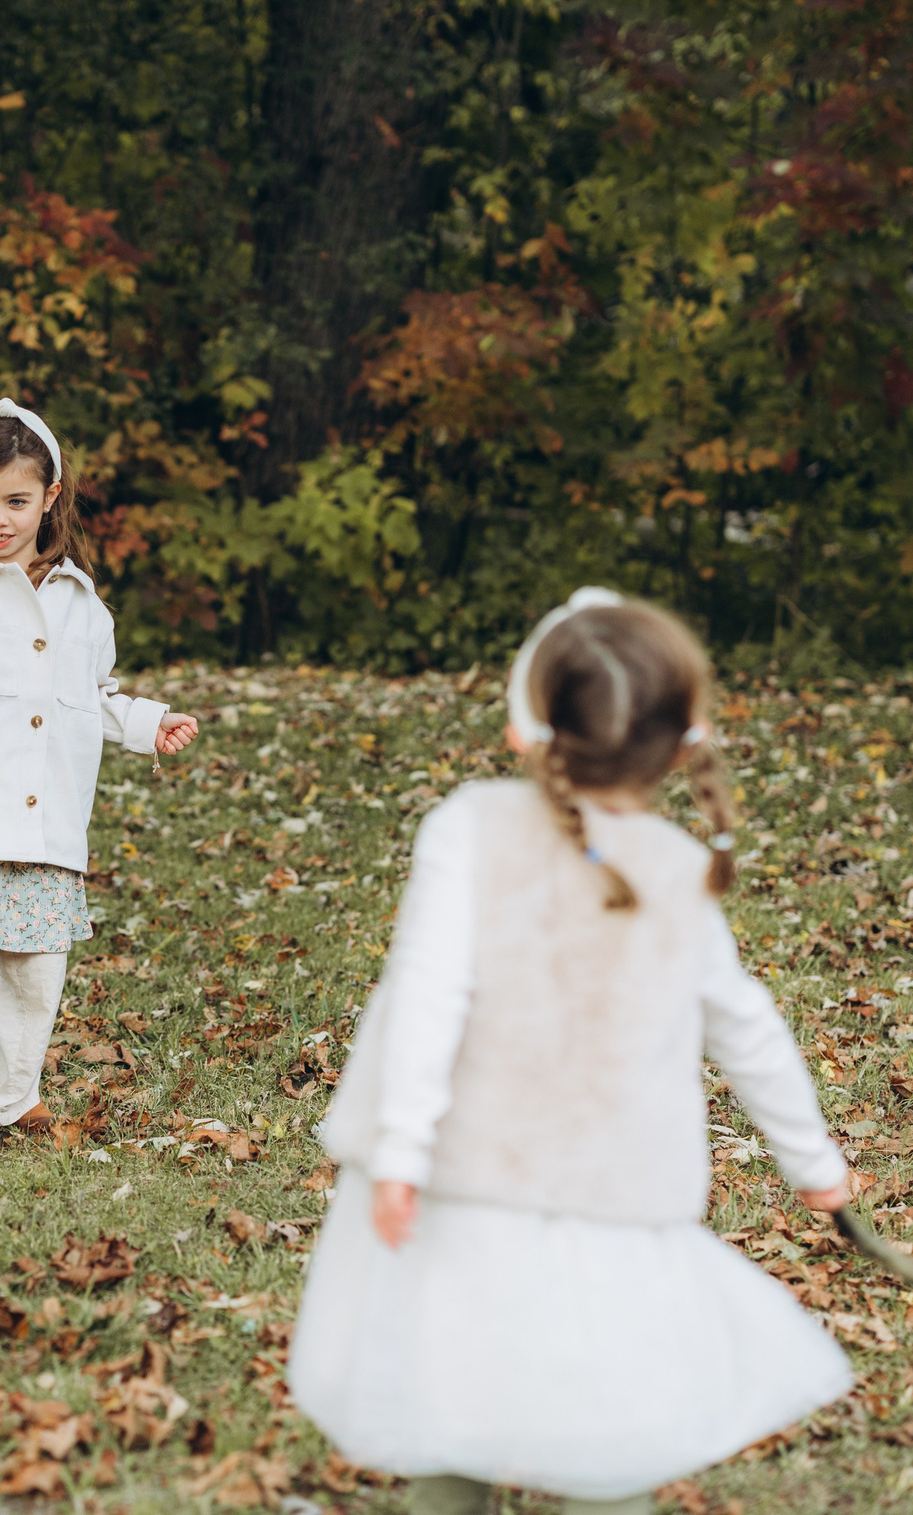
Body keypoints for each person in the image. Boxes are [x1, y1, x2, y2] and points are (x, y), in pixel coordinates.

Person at [289, 589, 855, 1515]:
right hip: (609, 1200)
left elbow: (431, 990)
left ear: (532, 724)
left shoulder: (469, 825)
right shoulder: (678, 867)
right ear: (681, 743)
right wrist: (816, 1164)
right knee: (603, 1423)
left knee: (453, 1393)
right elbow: (746, 1026)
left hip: (461, 1185)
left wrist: (402, 1149)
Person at [0, 398, 200, 1160]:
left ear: (49, 497)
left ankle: (14, 1098)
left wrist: (149, 723)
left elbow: (95, 697)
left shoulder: (81, 603)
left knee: (34, 973)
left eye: (16, 501)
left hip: (48, 820)